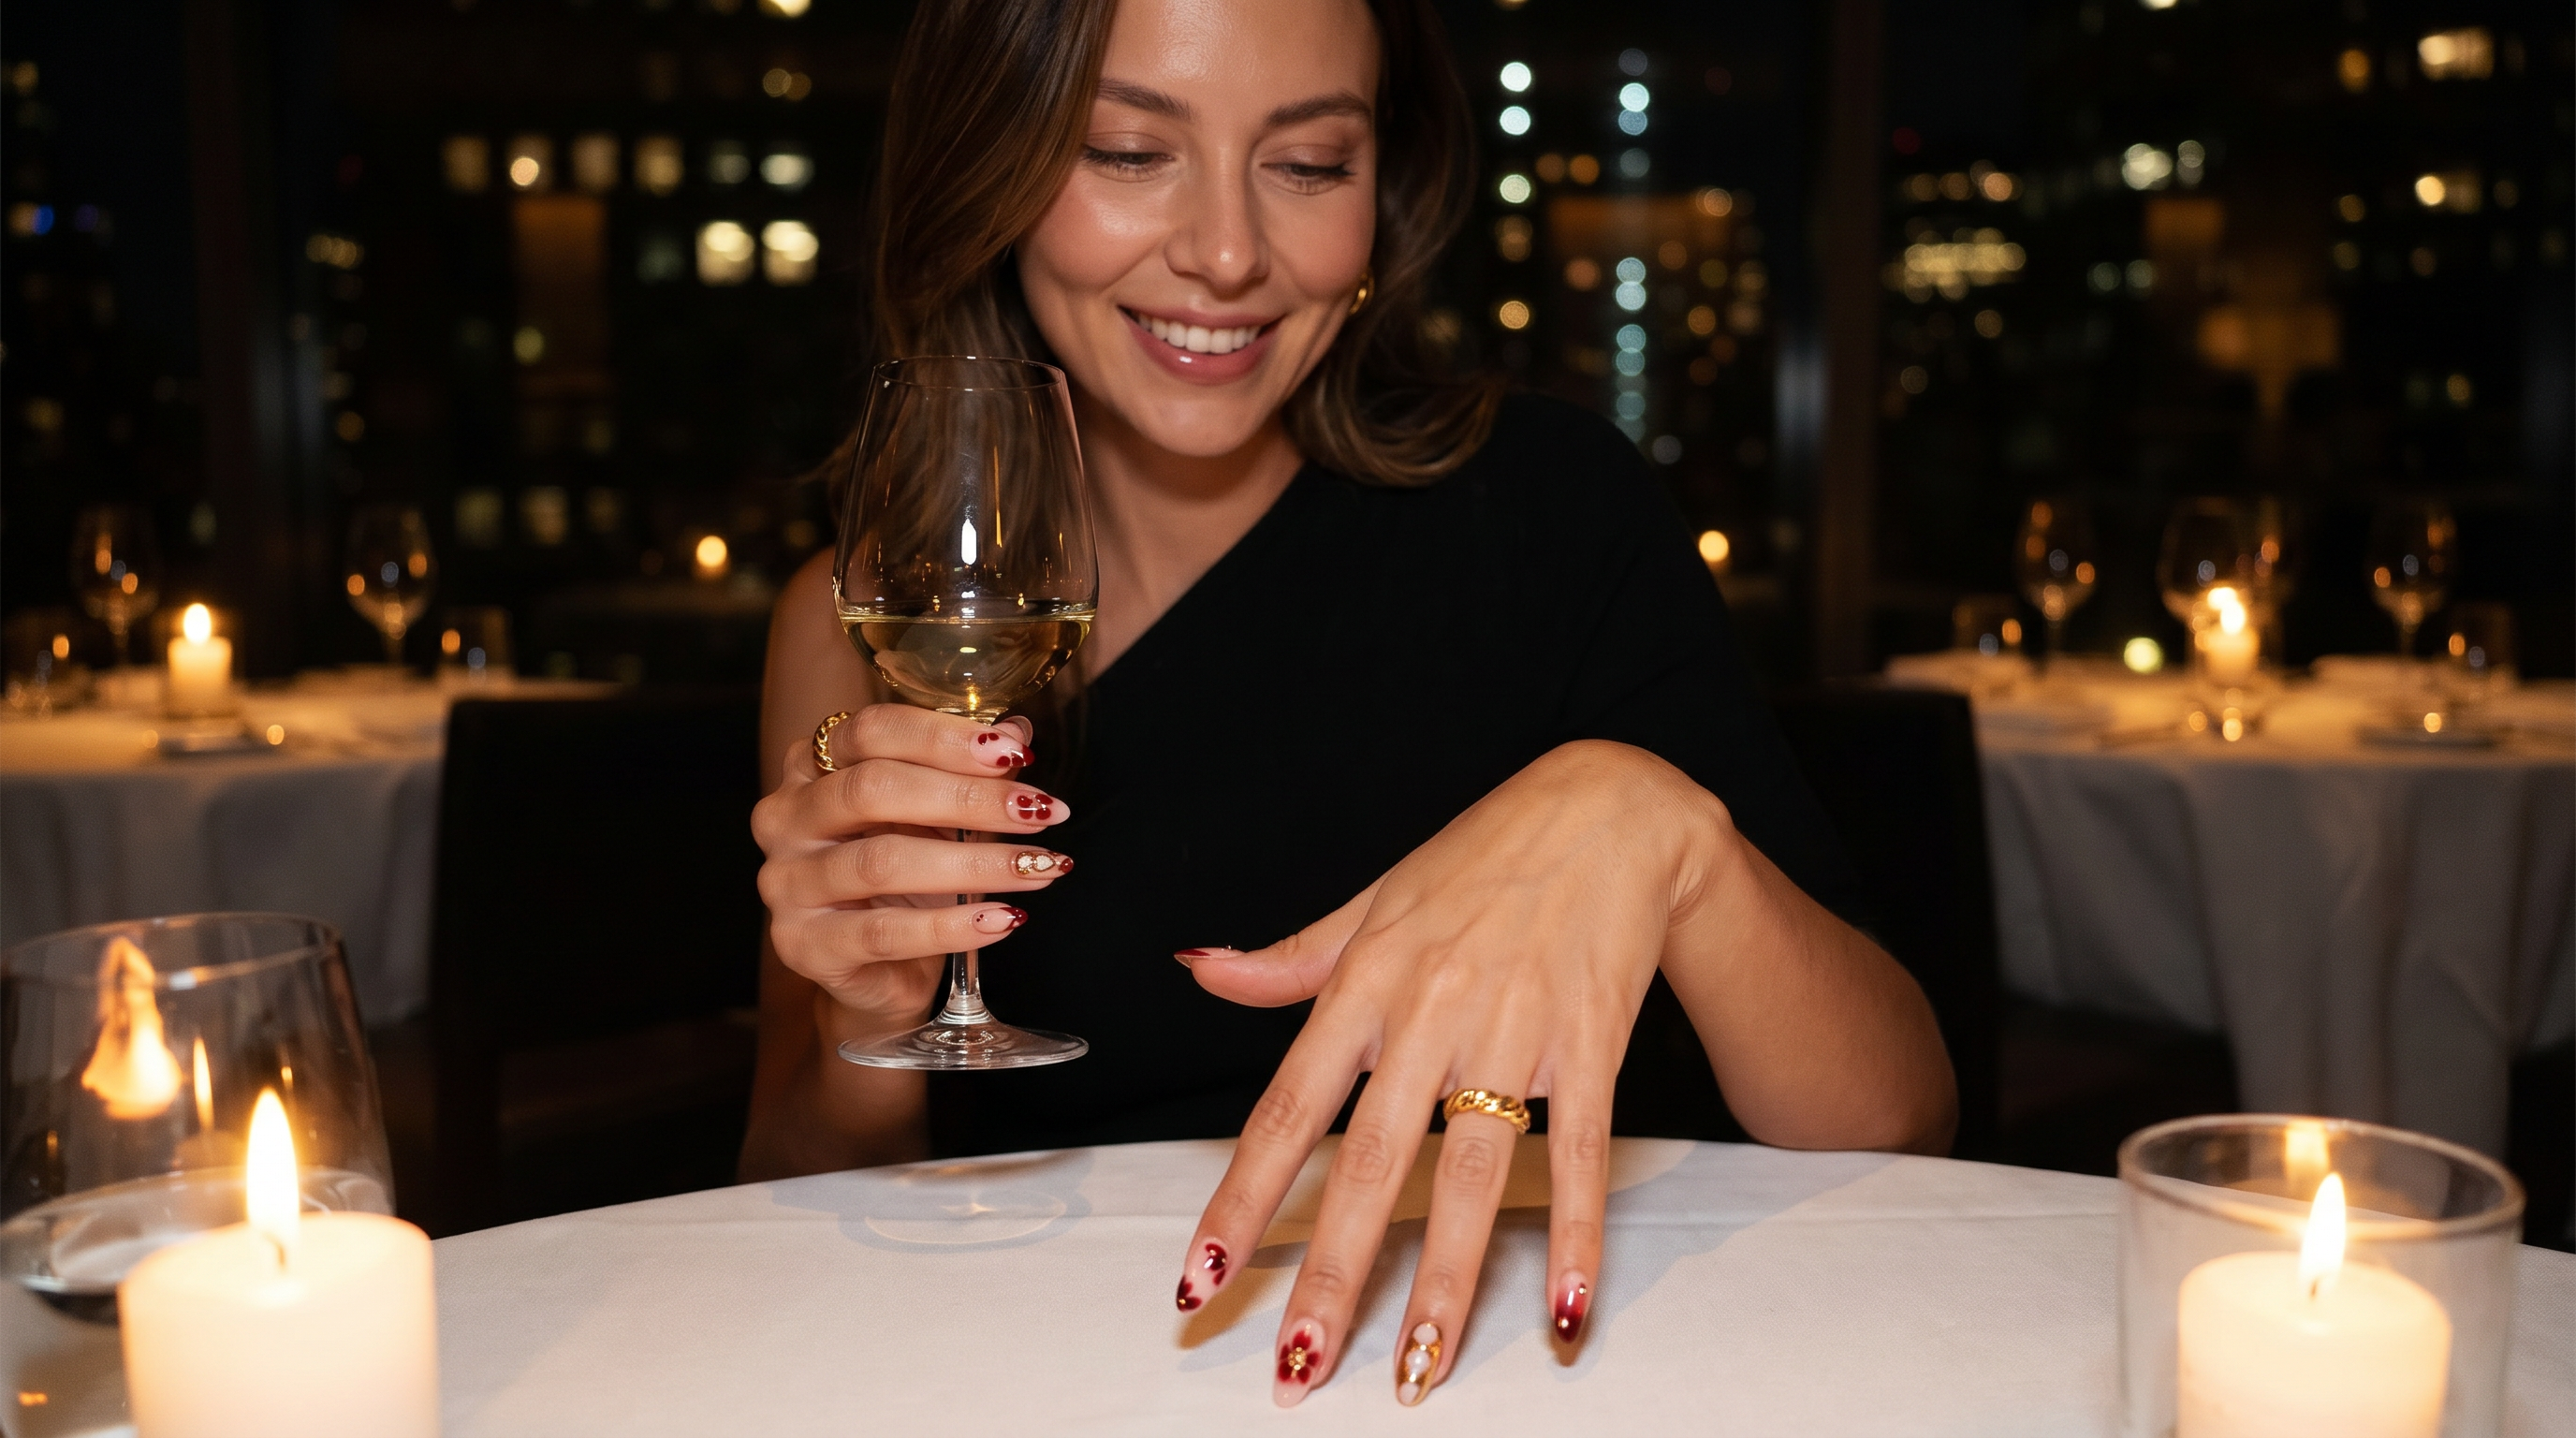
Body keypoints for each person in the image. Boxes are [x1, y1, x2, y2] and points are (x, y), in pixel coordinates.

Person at [745, 0, 1955, 1409]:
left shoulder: (1555, 511)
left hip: (1590, 1371)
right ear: (989, 166)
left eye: (1310, 165)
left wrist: (1663, 831)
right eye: (1130, 151)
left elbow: (1901, 1118)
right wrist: (865, 1023)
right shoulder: (858, 619)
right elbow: (787, 1197)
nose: (1227, 252)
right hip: (1070, 1382)